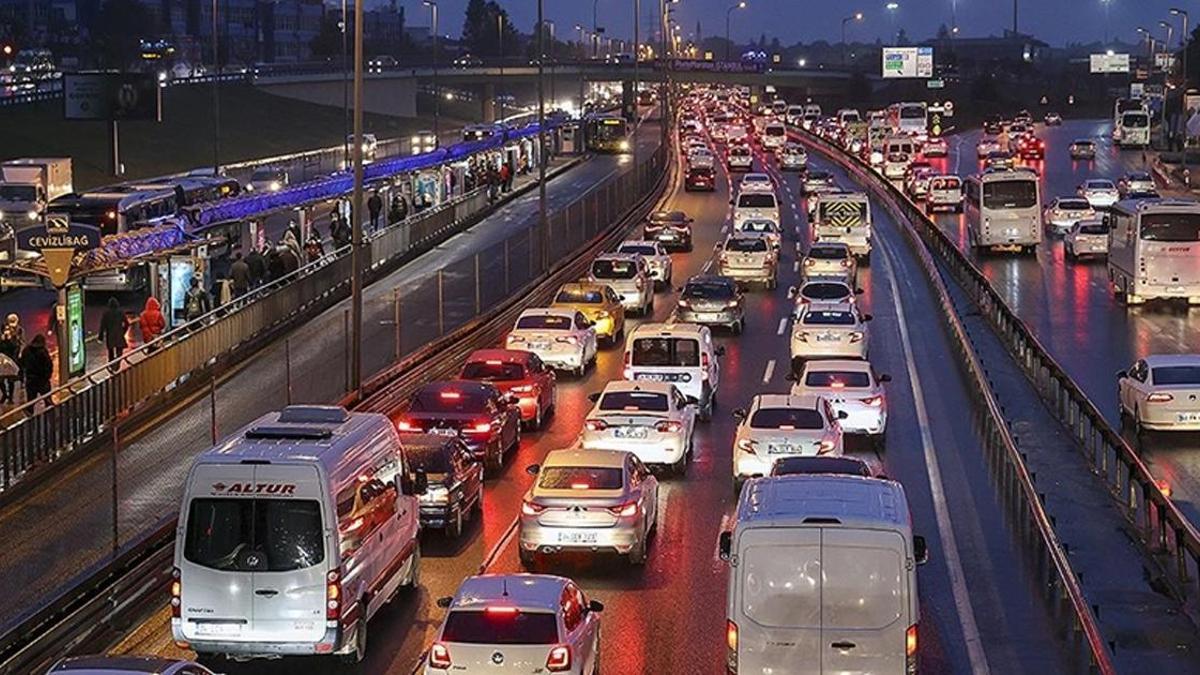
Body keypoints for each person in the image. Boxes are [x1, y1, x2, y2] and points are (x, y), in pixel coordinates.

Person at [97, 297, 129, 371]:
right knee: (119, 351)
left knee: (110, 352)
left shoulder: (106, 313)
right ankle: (117, 364)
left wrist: (100, 337)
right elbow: (127, 323)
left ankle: (112, 365)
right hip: (119, 335)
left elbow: (102, 326)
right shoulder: (120, 312)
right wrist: (123, 331)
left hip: (110, 335)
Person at [20, 334, 53, 404]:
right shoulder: (43, 351)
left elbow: (22, 363)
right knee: (48, 401)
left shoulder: (26, 350)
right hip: (42, 380)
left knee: (30, 402)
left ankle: (29, 411)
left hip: (30, 380)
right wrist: (47, 376)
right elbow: (49, 364)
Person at [0, 320, 21, 404]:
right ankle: (5, 394)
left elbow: (16, 348)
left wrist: (9, 340)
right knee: (0, 379)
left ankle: (10, 398)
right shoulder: (1, 339)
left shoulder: (13, 339)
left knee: (10, 380)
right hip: (1, 362)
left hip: (11, 362)